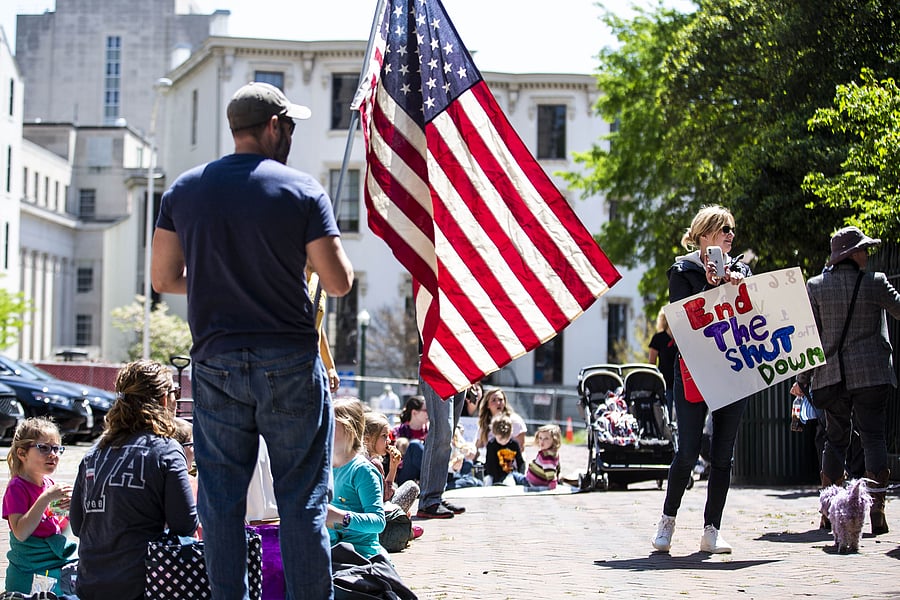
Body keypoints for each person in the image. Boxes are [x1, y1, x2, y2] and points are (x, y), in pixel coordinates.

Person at [151, 81, 353, 600]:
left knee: (220, 503)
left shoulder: (183, 191)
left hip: (216, 362)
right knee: (301, 502)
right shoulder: (303, 190)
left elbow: (164, 278)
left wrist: (220, 276)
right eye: (289, 126)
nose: (290, 135)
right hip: (287, 358)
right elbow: (338, 282)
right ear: (271, 128)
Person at [652, 205, 751, 555]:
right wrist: (711, 287)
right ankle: (667, 520)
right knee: (688, 452)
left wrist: (738, 287)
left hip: (733, 369)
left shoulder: (741, 268)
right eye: (725, 228)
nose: (731, 235)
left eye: (733, 230)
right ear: (705, 233)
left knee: (723, 454)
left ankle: (712, 529)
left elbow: (753, 311)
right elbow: (682, 317)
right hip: (694, 370)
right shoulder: (682, 272)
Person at [791, 226, 900, 536]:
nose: (867, 255)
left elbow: (808, 339)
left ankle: (829, 513)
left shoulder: (815, 287)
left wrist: (802, 380)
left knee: (835, 440)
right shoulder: (875, 283)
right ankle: (877, 511)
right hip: (871, 375)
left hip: (831, 377)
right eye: (863, 250)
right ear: (852, 254)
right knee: (873, 438)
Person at [70, 359, 199, 600]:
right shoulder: (167, 450)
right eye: (174, 393)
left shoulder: (93, 454)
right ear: (163, 399)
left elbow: (78, 525)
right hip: (143, 584)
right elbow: (184, 524)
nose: (176, 399)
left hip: (90, 583)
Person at [2, 417, 76, 595]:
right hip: (29, 570)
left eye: (57, 449)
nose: (53, 454)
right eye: (44, 448)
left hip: (53, 564)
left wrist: (69, 509)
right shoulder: (17, 487)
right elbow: (21, 532)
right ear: (22, 453)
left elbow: (58, 529)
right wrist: (45, 498)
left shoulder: (49, 483)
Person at [326, 399, 386, 559]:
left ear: (349, 429)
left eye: (331, 423)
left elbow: (378, 522)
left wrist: (342, 518)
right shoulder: (324, 466)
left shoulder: (362, 470)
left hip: (361, 556)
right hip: (328, 551)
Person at [414, 374, 467, 519]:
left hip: (459, 367)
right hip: (437, 364)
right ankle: (429, 500)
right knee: (442, 431)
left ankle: (436, 496)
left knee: (447, 435)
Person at [364, 412, 420, 514]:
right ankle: (396, 523)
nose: (389, 441)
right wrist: (393, 469)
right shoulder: (373, 463)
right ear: (367, 439)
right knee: (412, 487)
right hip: (375, 516)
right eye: (384, 436)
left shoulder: (356, 458)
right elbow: (385, 496)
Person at [476, 388, 526, 452]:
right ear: (487, 405)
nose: (498, 403)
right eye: (494, 400)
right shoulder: (485, 422)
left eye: (500, 400)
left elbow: (520, 447)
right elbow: (478, 445)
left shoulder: (515, 421)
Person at [648, 309, 677, 420]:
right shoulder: (658, 339)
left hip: (681, 383)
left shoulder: (681, 338)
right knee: (667, 413)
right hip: (665, 383)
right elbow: (651, 363)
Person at [483, 415, 526, 486]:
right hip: (494, 474)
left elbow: (520, 461)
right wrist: (498, 480)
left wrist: (520, 475)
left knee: (510, 482)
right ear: (494, 433)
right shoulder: (491, 445)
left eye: (507, 438)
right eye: (500, 439)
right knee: (487, 481)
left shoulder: (514, 444)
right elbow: (490, 465)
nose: (504, 441)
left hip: (510, 473)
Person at [525, 424, 562, 491]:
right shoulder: (553, 453)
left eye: (546, 439)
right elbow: (556, 468)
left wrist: (552, 485)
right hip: (537, 481)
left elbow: (551, 473)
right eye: (540, 438)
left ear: (554, 440)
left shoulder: (546, 456)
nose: (542, 441)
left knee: (513, 475)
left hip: (531, 482)